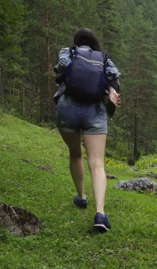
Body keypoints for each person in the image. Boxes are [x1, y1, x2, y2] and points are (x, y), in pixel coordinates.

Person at [52, 28, 121, 233]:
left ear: (77, 41)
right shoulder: (104, 58)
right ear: (95, 43)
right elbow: (114, 78)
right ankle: (100, 213)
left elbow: (60, 69)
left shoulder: (69, 52)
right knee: (97, 163)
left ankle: (81, 197)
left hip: (68, 108)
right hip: (95, 110)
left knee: (75, 154)